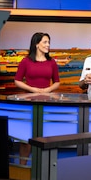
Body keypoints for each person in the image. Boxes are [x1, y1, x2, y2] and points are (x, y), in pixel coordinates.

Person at [13, 32, 60, 165]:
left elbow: (57, 82)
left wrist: (47, 90)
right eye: (45, 42)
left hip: (46, 103)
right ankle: (22, 168)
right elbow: (17, 80)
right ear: (36, 44)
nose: (48, 45)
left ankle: (45, 168)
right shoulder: (26, 61)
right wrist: (32, 90)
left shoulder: (52, 62)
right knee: (26, 138)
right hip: (28, 103)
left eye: (49, 42)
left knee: (44, 137)